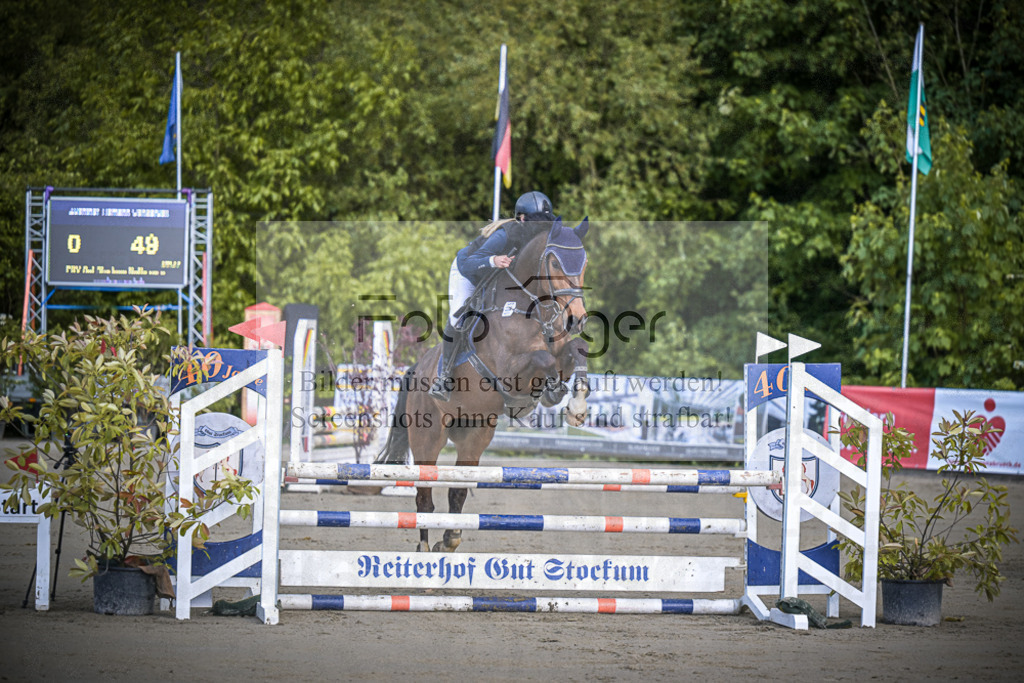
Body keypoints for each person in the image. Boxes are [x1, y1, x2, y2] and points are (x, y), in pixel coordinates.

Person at [430, 191, 556, 400]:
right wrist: (493, 260)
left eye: (545, 223)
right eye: (537, 222)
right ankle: (444, 377)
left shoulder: (541, 235)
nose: (542, 228)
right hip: (468, 271)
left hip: (500, 275)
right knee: (458, 318)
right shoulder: (505, 234)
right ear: (523, 219)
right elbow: (470, 264)